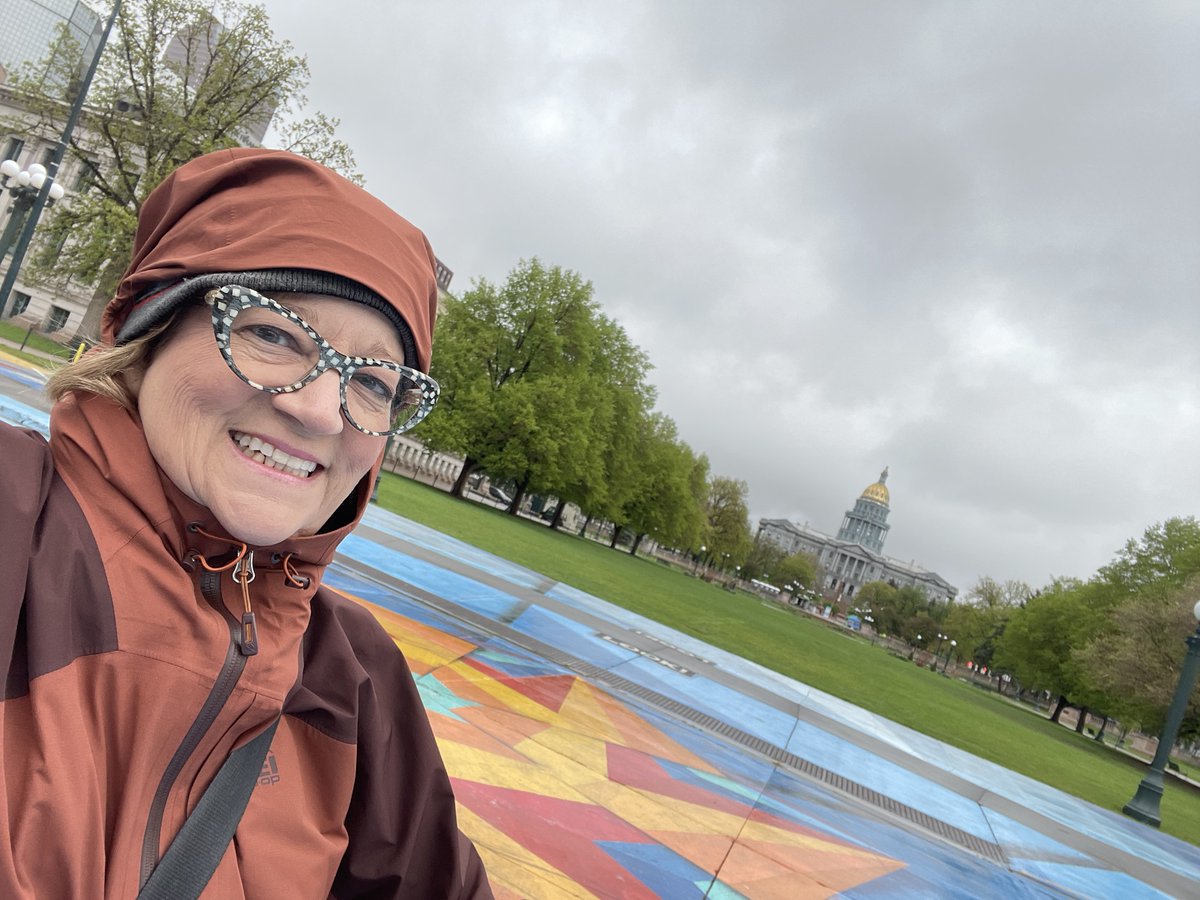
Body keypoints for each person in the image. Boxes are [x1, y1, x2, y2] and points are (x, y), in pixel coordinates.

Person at [0, 148, 492, 898]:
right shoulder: (13, 521)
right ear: (151, 329)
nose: (319, 408)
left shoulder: (356, 681)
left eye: (370, 382)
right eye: (274, 334)